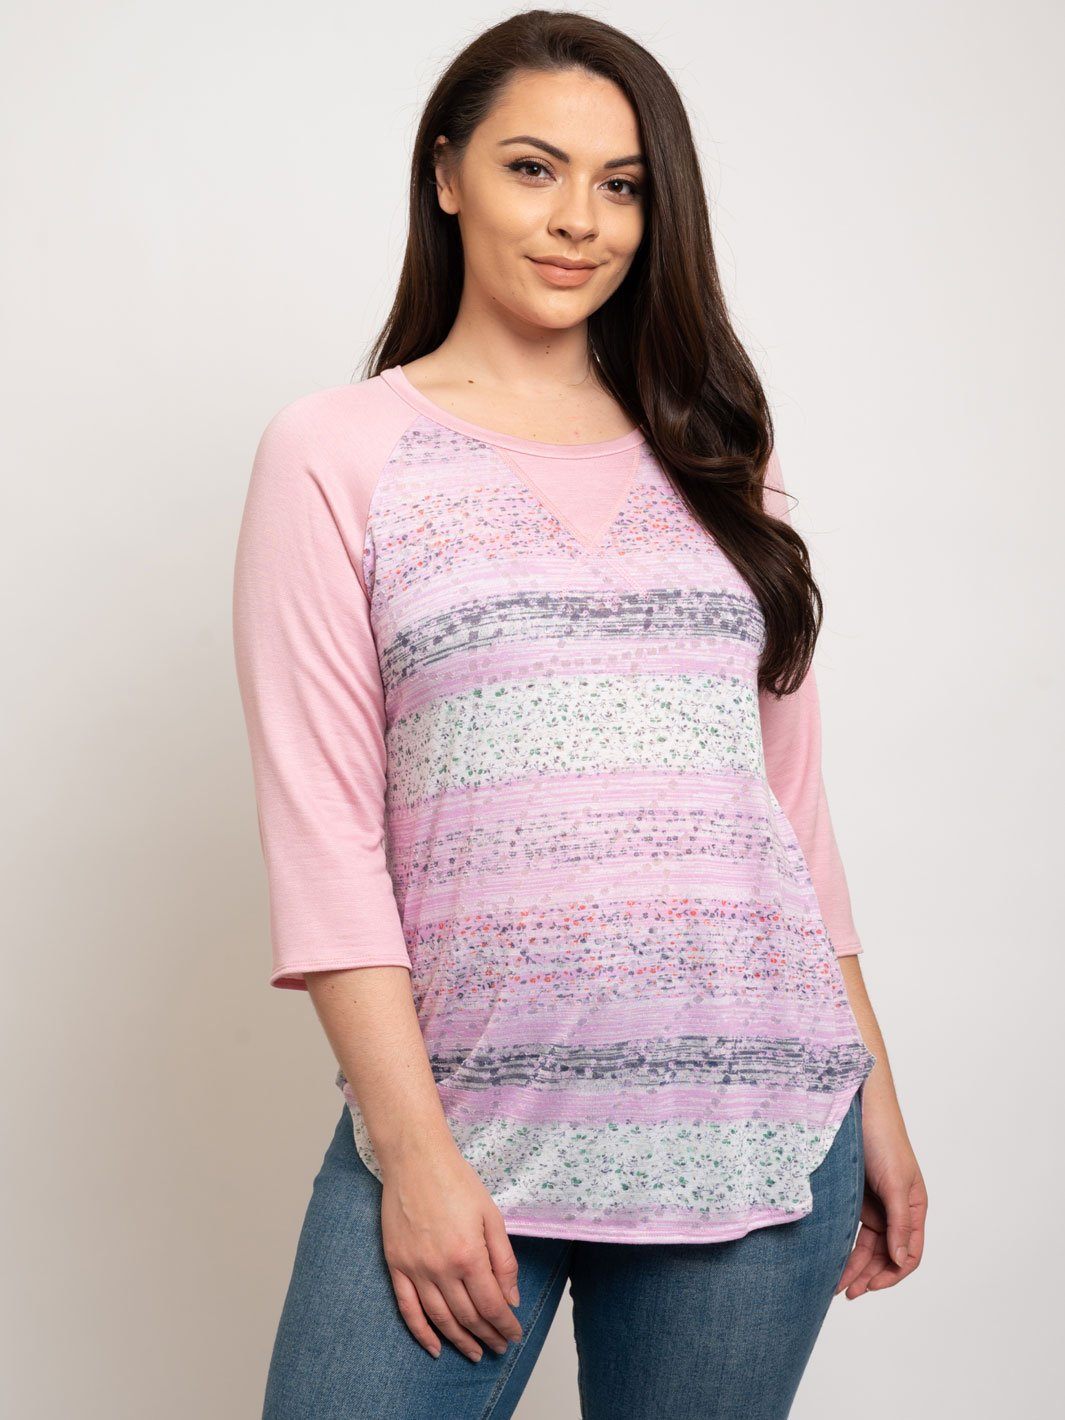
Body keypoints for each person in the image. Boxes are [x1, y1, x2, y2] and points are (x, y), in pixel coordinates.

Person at [232, 10, 926, 1417]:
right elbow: (323, 838)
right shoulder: (338, 451)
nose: (580, 221)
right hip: (461, 1129)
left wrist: (875, 1100)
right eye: (533, 169)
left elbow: (788, 817)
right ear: (447, 175)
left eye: (622, 185)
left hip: (756, 1126)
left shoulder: (719, 454)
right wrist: (412, 1155)